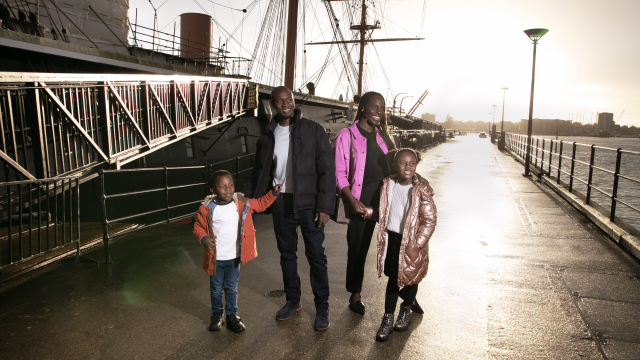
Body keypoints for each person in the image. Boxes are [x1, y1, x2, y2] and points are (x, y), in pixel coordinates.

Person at [241, 86, 335, 331]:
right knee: (287, 256)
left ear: (294, 102)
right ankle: (293, 301)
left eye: (289, 100)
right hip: (280, 202)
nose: (285, 105)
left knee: (316, 255)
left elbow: (327, 171)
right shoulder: (267, 136)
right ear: (272, 105)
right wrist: (243, 201)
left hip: (310, 203)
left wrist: (325, 206)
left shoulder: (313, 130)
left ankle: (322, 306)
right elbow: (259, 174)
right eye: (279, 101)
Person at [194, 170, 282, 333]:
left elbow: (261, 204)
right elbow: (198, 227)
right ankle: (216, 314)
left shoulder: (241, 203)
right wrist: (204, 239)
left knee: (231, 288)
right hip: (215, 259)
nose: (228, 189)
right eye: (222, 187)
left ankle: (232, 316)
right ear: (213, 190)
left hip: (234, 258)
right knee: (215, 289)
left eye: (231, 185)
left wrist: (273, 193)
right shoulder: (206, 209)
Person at [363, 149, 437, 342]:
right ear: (395, 165)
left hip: (412, 242)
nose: (408, 167)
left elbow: (429, 221)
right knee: (395, 275)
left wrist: (418, 243)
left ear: (416, 165)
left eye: (412, 163)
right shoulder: (389, 184)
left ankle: (397, 314)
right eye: (403, 163)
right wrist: (370, 212)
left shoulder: (422, 189)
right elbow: (385, 211)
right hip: (392, 240)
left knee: (408, 278)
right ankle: (405, 305)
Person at [334, 91, 397, 315]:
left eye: (382, 108)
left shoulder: (385, 137)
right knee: (358, 248)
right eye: (374, 107)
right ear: (362, 108)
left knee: (399, 245)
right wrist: (352, 200)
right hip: (360, 199)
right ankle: (355, 294)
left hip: (386, 199)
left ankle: (408, 293)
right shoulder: (346, 135)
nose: (379, 112)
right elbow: (340, 173)